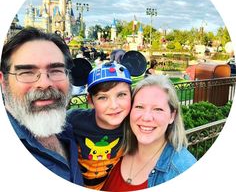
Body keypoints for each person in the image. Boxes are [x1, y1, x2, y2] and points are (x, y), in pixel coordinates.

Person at [0, 27, 83, 186]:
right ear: (3, 82)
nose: (44, 84)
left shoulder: (68, 129)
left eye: (56, 70)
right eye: (27, 72)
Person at [102, 74, 196, 191]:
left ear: (172, 116)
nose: (146, 117)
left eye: (158, 109)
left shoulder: (183, 169)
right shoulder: (113, 150)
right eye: (139, 107)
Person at [67, 61, 132, 190]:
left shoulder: (133, 125)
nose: (114, 105)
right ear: (90, 101)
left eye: (121, 95)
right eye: (103, 97)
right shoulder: (73, 120)